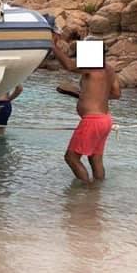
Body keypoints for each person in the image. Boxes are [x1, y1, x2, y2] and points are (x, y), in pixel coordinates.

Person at [50, 32, 120, 183]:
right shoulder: (109, 69)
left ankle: (86, 192)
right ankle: (97, 193)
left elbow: (68, 65)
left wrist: (52, 46)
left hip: (93, 121)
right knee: (95, 158)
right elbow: (116, 93)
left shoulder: (91, 65)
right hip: (105, 120)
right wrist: (81, 95)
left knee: (71, 158)